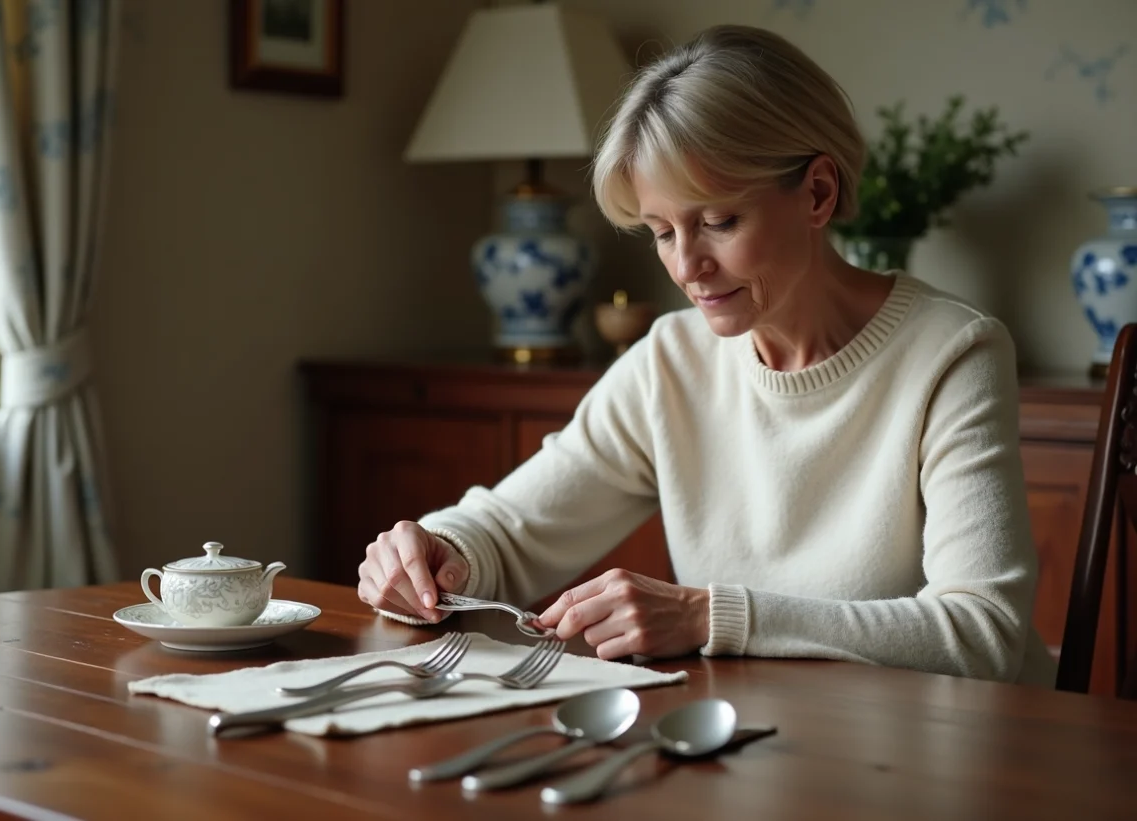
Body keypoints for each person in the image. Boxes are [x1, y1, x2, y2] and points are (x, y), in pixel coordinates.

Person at [358, 24, 1057, 686]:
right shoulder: (670, 362)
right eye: (662, 231)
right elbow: (511, 531)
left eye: (718, 221)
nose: (686, 266)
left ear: (817, 192)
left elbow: (983, 634)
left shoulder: (952, 353)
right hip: (758, 744)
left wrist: (709, 614)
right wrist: (434, 552)